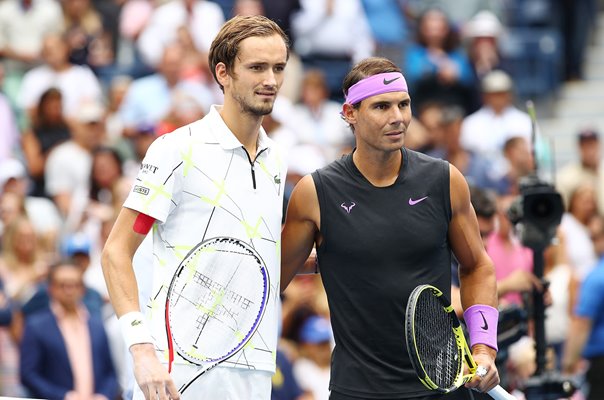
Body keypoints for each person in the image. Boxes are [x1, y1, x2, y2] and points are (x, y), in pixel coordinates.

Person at [281, 57, 500, 399]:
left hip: (444, 383)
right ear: (350, 113)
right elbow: (275, 274)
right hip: (358, 389)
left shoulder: (445, 180)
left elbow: (477, 266)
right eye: (381, 106)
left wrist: (484, 347)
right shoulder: (314, 193)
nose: (397, 117)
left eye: (403, 104)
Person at [101, 15, 289, 400]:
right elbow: (116, 252)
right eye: (256, 67)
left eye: (278, 67)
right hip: (180, 369)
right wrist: (141, 349)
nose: (270, 80)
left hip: (254, 370)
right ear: (223, 73)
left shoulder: (277, 160)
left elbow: (259, 259)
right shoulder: (177, 149)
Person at [19, 260, 119, 400]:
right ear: (51, 288)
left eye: (75, 285)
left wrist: (103, 395)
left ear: (83, 289)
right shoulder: (36, 326)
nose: (69, 290)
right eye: (63, 285)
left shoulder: (96, 325)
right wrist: (63, 396)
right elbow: (28, 374)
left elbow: (110, 371)